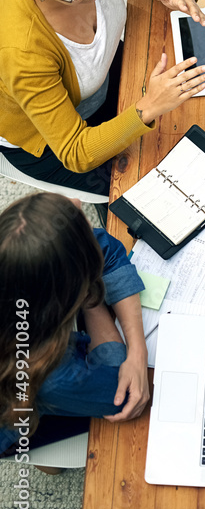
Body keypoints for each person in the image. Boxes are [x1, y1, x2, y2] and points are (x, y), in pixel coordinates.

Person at [0, 0, 205, 195]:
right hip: (51, 142)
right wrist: (148, 107)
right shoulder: (23, 54)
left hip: (105, 77)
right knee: (156, 192)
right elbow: (76, 151)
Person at [0, 192, 148, 458]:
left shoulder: (14, 260)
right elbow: (119, 394)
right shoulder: (53, 376)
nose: (78, 202)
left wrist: (138, 350)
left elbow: (108, 251)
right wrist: (91, 297)